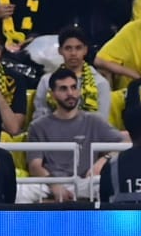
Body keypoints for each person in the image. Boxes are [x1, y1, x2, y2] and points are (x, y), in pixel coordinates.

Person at [24, 68, 119, 202]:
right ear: (52, 94)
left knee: (105, 185)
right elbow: (35, 166)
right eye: (63, 89)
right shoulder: (37, 126)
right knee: (21, 191)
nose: (70, 93)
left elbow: (124, 144)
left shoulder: (94, 121)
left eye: (73, 87)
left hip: (84, 182)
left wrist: (103, 160)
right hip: (49, 182)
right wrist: (55, 185)